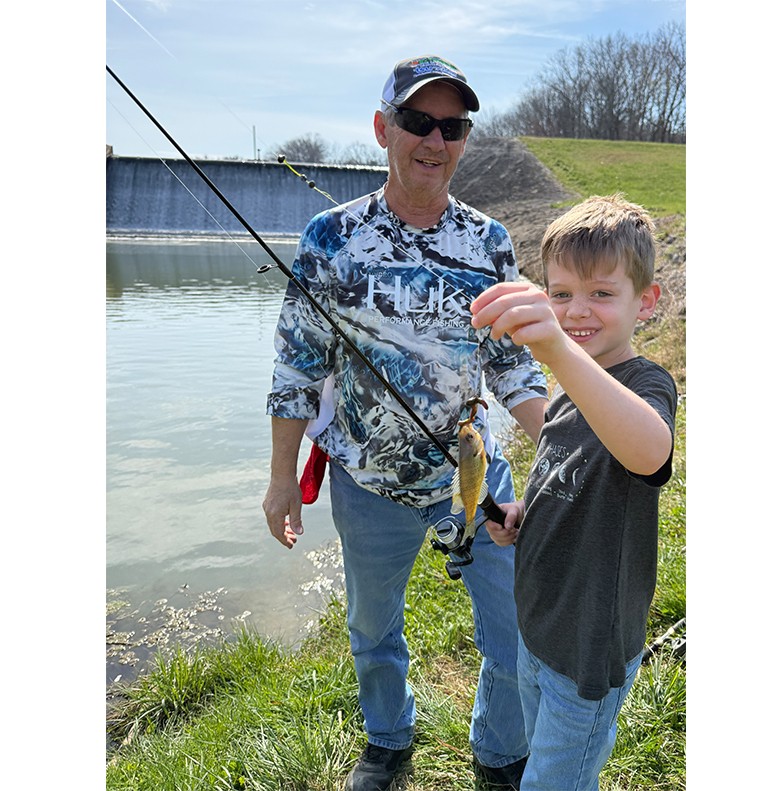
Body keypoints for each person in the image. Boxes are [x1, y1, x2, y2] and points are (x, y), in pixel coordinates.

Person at [262, 55, 548, 791]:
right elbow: (296, 368)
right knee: (370, 630)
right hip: (367, 482)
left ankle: (499, 750)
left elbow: (511, 366)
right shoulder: (331, 237)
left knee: (510, 629)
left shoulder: (488, 243)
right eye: (418, 121)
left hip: (476, 475)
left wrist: (565, 450)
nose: (434, 139)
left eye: (451, 126)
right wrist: (280, 481)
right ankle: (388, 740)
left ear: (463, 139)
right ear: (383, 127)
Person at [470, 193, 679, 791]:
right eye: (560, 294)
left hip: (588, 648)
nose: (577, 311)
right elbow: (564, 478)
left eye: (601, 294)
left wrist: (557, 349)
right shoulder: (566, 390)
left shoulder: (644, 383)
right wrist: (520, 513)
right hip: (540, 626)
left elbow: (648, 452)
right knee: (541, 747)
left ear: (646, 302)